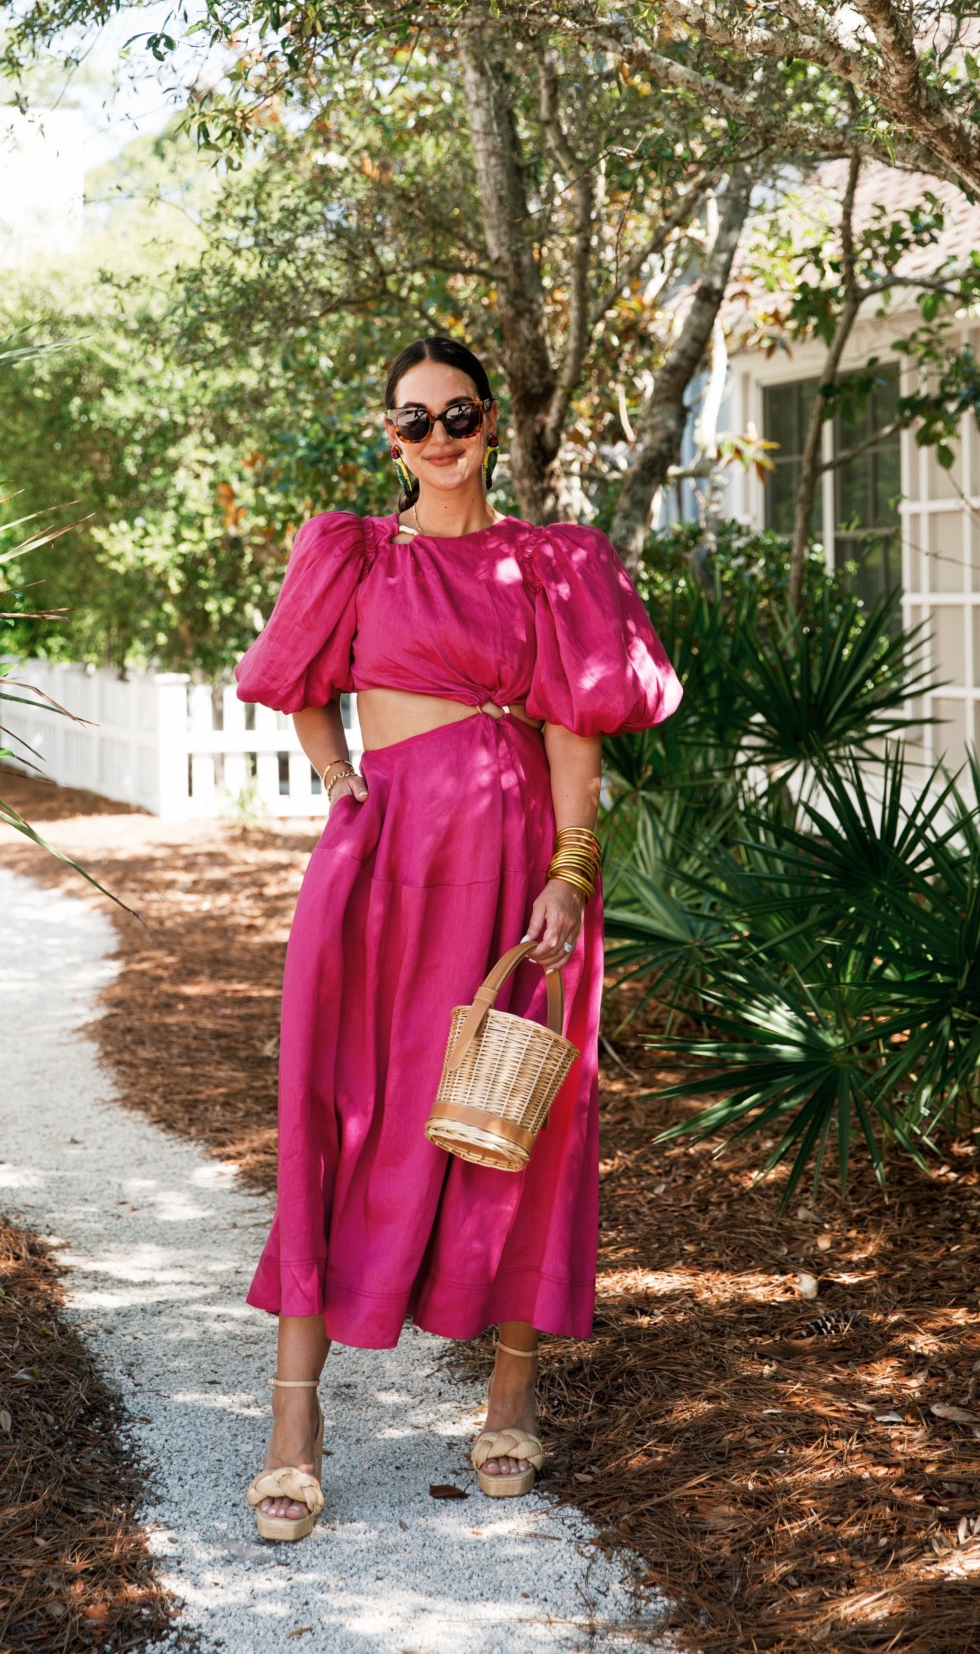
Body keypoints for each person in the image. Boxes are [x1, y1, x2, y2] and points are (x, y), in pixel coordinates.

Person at [235, 335, 681, 1541]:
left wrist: (573, 873)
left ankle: (511, 1390)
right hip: (384, 867)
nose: (439, 437)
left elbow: (575, 724)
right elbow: (297, 680)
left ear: (491, 424)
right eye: (414, 420)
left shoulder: (551, 562)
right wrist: (340, 781)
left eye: (460, 415)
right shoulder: (356, 552)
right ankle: (293, 1421)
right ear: (389, 435)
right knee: (340, 1108)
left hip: (515, 866)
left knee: (519, 1120)